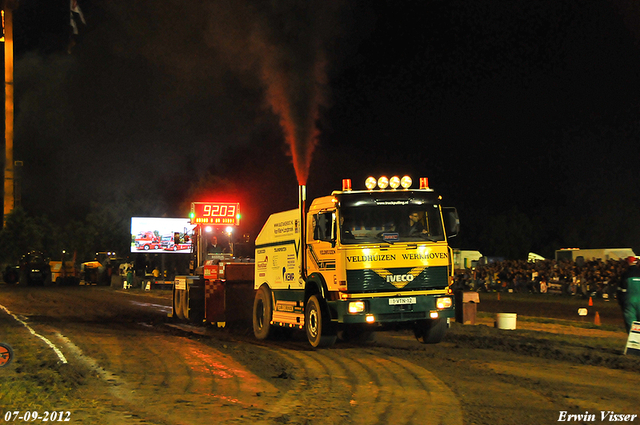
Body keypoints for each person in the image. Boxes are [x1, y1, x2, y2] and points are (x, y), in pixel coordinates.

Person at [617, 256, 640, 333]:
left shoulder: (625, 274)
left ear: (627, 263)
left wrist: (621, 302)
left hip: (629, 300)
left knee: (631, 323)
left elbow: (621, 290)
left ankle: (635, 341)